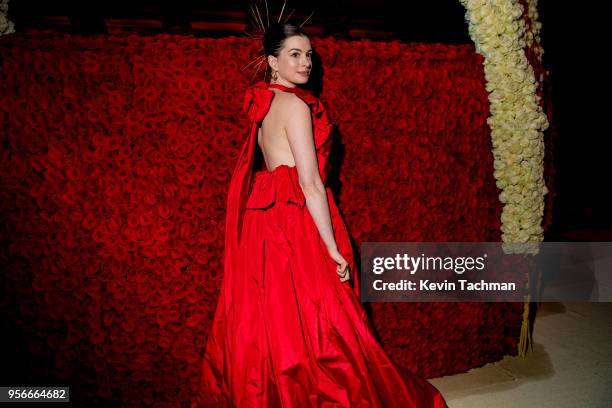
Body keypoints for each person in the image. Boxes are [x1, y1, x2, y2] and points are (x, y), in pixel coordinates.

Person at [199, 21, 448, 408]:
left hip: (262, 223)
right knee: (322, 319)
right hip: (294, 220)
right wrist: (332, 248)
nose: (306, 63)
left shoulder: (263, 106)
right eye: (294, 55)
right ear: (273, 62)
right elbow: (311, 183)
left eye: (309, 55)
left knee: (271, 320)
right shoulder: (296, 106)